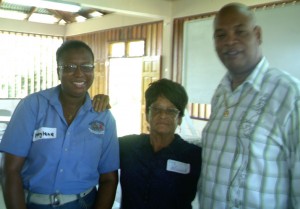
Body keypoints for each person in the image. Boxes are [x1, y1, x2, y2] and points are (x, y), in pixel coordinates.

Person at [199, 3, 300, 209]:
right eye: (221, 35)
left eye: (240, 32)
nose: (230, 41)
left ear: (258, 35)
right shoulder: (221, 93)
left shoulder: (289, 95)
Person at [0, 40, 119, 209]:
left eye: (86, 66)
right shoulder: (32, 106)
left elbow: (109, 179)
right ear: (58, 71)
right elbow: (10, 171)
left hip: (83, 203)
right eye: (70, 67)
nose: (79, 74)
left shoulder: (103, 117)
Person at [94, 78, 202, 209]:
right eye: (157, 109)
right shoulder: (128, 146)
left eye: (171, 111)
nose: (163, 115)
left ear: (179, 119)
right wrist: (96, 110)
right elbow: (95, 148)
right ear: (147, 114)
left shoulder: (193, 155)